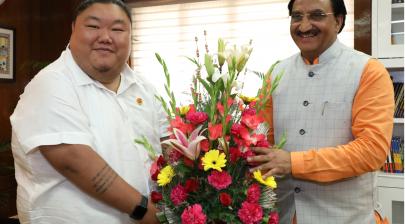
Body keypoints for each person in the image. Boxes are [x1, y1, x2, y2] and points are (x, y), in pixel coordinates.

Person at [10, 0, 168, 223]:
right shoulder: (51, 83)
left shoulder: (144, 87)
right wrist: (146, 212)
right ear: (73, 29)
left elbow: (167, 143)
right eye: (93, 26)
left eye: (117, 29)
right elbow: (72, 160)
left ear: (130, 35)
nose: (105, 37)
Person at [248, 0, 394, 223]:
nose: (304, 26)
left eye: (316, 15)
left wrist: (293, 162)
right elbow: (259, 139)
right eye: (297, 16)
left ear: (338, 21)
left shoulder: (368, 71)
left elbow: (371, 150)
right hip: (284, 214)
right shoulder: (276, 73)